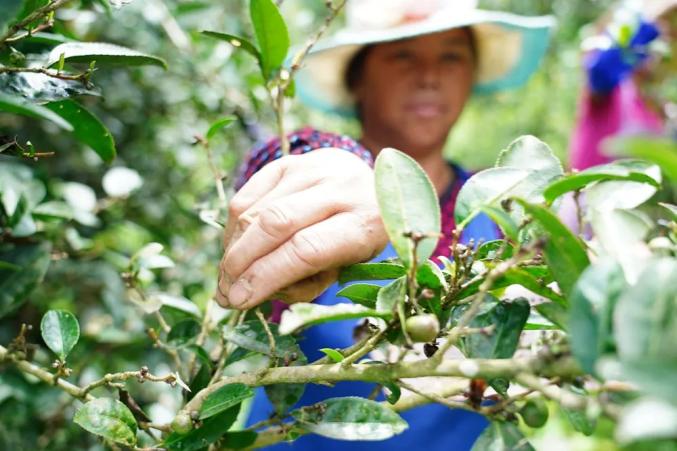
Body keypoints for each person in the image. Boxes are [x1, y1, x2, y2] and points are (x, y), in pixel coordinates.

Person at [216, 1, 554, 449]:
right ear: (358, 79)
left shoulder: (499, 209)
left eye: (452, 55)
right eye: (403, 54)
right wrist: (349, 175)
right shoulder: (318, 163)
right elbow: (284, 168)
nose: (429, 75)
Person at [569, 0, 677, 170]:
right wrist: (651, 18)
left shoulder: (663, 110)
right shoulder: (612, 91)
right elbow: (601, 67)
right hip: (591, 194)